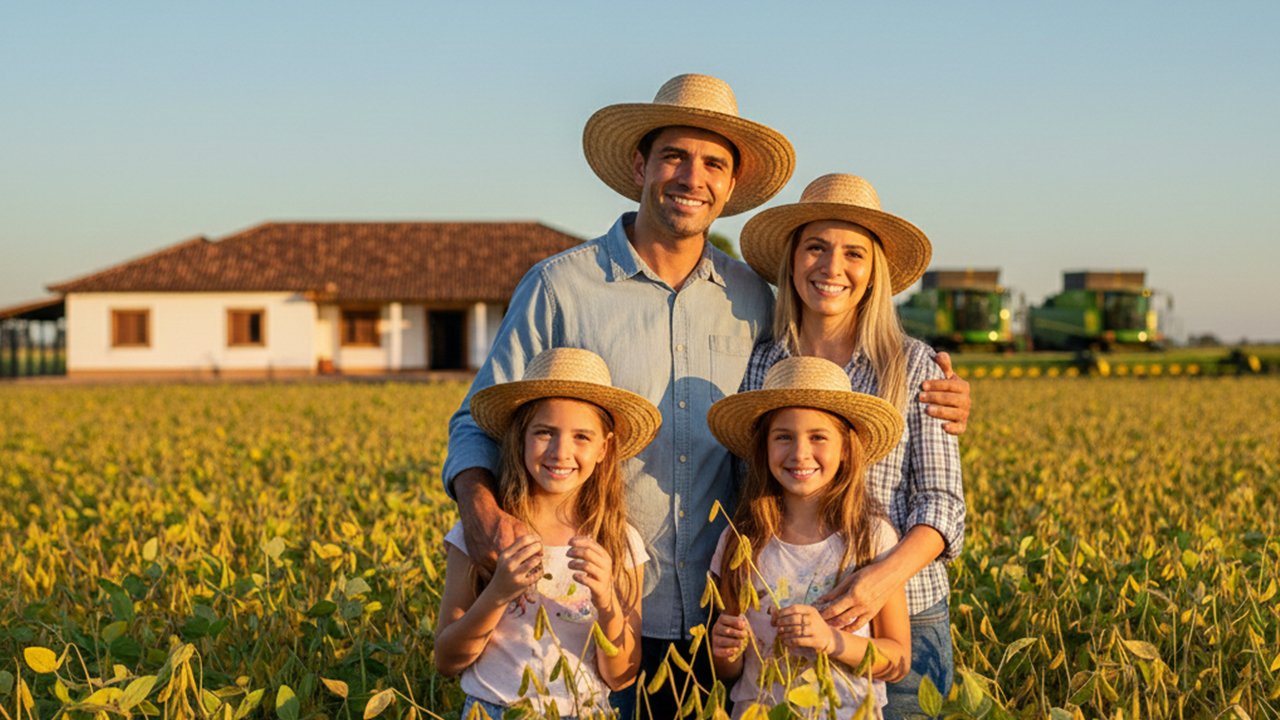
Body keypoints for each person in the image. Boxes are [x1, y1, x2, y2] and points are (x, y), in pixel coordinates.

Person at [442, 75, 970, 718]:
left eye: (713, 163)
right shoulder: (560, 287)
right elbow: (477, 420)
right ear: (640, 165)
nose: (692, 177)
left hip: (734, 614)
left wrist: (939, 387)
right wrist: (480, 509)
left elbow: (834, 406)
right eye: (674, 156)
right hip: (609, 607)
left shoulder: (751, 300)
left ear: (731, 182)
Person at [737, 174, 966, 718]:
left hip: (903, 618)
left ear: (874, 271)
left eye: (853, 253)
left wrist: (878, 581)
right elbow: (749, 484)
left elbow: (943, 506)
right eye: (816, 247)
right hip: (781, 616)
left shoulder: (912, 364)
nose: (832, 267)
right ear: (793, 259)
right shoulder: (761, 362)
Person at [434, 347, 659, 717]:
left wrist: (607, 602)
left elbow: (622, 676)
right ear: (520, 437)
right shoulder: (483, 534)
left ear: (604, 448)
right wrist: (498, 592)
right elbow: (447, 660)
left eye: (581, 437)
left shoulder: (620, 542)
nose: (560, 452)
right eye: (544, 433)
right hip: (494, 709)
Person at [707, 356, 911, 718]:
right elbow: (729, 671)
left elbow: (898, 661)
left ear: (845, 449)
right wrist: (724, 651)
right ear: (764, 448)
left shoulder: (872, 537)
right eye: (783, 437)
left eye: (818, 437)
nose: (800, 453)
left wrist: (831, 640)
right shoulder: (740, 540)